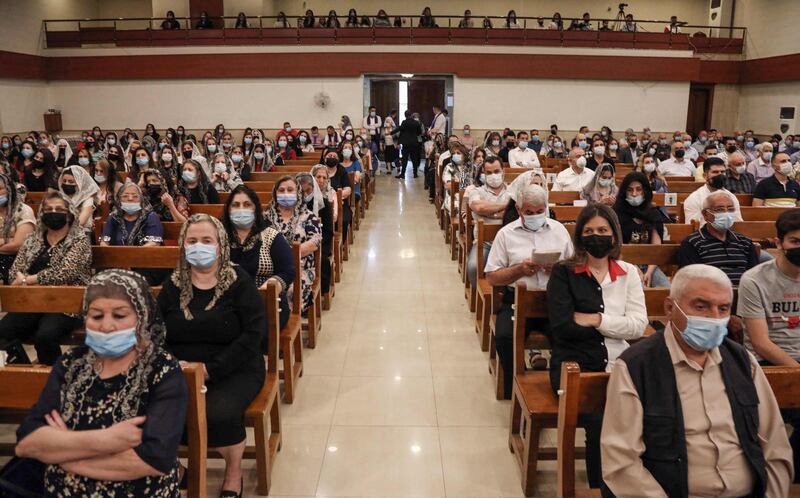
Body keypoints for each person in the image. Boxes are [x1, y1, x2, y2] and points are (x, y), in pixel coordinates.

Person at [602, 263, 793, 496]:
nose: (714, 318)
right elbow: (622, 463)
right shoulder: (637, 366)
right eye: (701, 306)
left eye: (723, 309)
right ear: (670, 308)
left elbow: (775, 446)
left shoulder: (743, 362)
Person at [14, 269, 188, 497]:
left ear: (141, 317)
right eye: (96, 316)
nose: (106, 326)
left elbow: (155, 460)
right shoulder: (70, 363)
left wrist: (64, 455)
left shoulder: (162, 369)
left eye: (119, 315)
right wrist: (107, 440)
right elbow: (27, 442)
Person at [158, 214, 266, 497]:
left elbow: (254, 336)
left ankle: (233, 472)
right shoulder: (173, 284)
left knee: (218, 412)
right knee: (150, 406)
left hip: (235, 366)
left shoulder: (238, 282)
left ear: (220, 246)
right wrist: (173, 365)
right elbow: (154, 333)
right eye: (191, 241)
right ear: (183, 245)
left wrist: (211, 369)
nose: (198, 246)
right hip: (180, 367)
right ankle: (177, 469)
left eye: (206, 241)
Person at [549, 191, 647, 491]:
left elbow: (639, 326)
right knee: (601, 419)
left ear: (614, 235)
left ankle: (637, 481)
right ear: (579, 236)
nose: (596, 237)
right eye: (589, 231)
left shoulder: (628, 273)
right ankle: (601, 487)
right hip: (575, 364)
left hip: (621, 363)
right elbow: (564, 328)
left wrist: (596, 320)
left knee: (652, 414)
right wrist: (617, 327)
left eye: (603, 231)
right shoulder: (565, 272)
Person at [485, 184, 574, 399]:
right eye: (529, 213)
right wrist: (519, 270)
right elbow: (491, 276)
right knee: (505, 337)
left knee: (568, 336)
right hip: (516, 300)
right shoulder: (506, 234)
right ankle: (513, 386)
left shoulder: (559, 231)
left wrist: (559, 269)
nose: (535, 216)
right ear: (519, 210)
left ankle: (557, 386)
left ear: (546, 208)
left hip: (553, 299)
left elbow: (575, 268)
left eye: (539, 212)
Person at [0, 192, 90, 365]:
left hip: (66, 303)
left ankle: (56, 379)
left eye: (59, 209)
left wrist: (28, 280)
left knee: (45, 336)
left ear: (69, 213)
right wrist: (24, 279)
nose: (53, 212)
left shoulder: (79, 240)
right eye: (48, 209)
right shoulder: (33, 239)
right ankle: (24, 374)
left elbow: (66, 273)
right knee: (3, 331)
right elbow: (14, 272)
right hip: (32, 301)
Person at [223, 185, 294, 331]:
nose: (241, 209)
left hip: (266, 302)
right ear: (228, 209)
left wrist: (268, 289)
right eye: (236, 205)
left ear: (255, 209)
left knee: (251, 327)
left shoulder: (270, 236)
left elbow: (288, 271)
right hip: (227, 301)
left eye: (247, 205)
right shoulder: (219, 237)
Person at [264, 176, 322, 314]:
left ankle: (283, 324)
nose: (285, 193)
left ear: (298, 193)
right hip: (269, 266)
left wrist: (287, 255)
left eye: (290, 190)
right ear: (275, 193)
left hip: (298, 267)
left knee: (289, 288)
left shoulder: (308, 217)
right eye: (281, 190)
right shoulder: (265, 217)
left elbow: (315, 241)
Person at [678, 190, 757, 287]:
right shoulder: (692, 243)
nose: (726, 213)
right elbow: (691, 280)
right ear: (705, 214)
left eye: (730, 209)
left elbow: (754, 277)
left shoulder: (745, 242)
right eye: (719, 210)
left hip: (743, 296)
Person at [613, 172, 670, 287]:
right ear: (624, 192)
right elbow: (618, 246)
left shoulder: (653, 213)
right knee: (640, 289)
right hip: (625, 262)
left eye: (638, 189)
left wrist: (649, 271)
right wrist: (634, 268)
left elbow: (656, 247)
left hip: (649, 263)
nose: (634, 194)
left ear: (645, 191)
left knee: (666, 289)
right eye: (630, 190)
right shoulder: (616, 213)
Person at [466, 157, 510, 287]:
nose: (493, 175)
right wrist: (506, 207)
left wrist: (490, 212)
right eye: (489, 173)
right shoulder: (476, 191)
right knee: (473, 267)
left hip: (509, 242)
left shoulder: (512, 190)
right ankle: (479, 298)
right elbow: (479, 207)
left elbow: (518, 211)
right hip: (485, 243)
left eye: (497, 171)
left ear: (503, 171)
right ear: (484, 173)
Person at [100, 182, 164, 247]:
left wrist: (131, 255)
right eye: (125, 196)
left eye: (135, 196)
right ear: (119, 200)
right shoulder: (114, 217)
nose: (130, 199)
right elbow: (104, 243)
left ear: (141, 200)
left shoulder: (150, 216)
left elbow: (154, 244)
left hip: (144, 256)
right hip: (116, 256)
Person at [683, 157, 742, 225]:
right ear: (705, 176)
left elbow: (738, 222)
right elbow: (693, 227)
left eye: (722, 172)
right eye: (715, 172)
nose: (720, 175)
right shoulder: (694, 198)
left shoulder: (731, 197)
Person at [0, 173, 35, 283]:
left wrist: (7, 241)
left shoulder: (23, 210)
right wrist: (7, 240)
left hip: (16, 260)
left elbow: (18, 245)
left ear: (10, 190)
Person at [58, 165, 99, 236]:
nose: (66, 184)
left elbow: (81, 222)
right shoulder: (59, 197)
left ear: (79, 183)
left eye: (71, 182)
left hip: (82, 234)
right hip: (59, 232)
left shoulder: (87, 199)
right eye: (64, 181)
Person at [396, 111, 425, 179]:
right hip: (414, 143)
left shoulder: (404, 122)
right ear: (411, 115)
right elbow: (419, 132)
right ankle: (415, 174)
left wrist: (391, 133)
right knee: (414, 159)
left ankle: (402, 174)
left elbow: (401, 131)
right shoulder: (416, 123)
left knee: (404, 159)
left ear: (405, 115)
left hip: (406, 143)